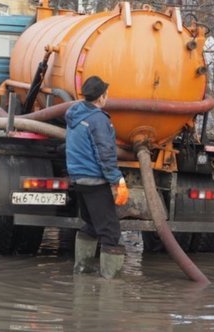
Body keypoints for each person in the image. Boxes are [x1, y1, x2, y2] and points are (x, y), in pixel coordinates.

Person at [65, 75, 128, 279]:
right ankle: (111, 283)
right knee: (110, 232)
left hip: (78, 179)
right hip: (95, 180)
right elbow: (105, 153)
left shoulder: (74, 113)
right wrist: (117, 180)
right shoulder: (99, 120)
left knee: (91, 224)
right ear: (101, 97)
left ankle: (82, 270)